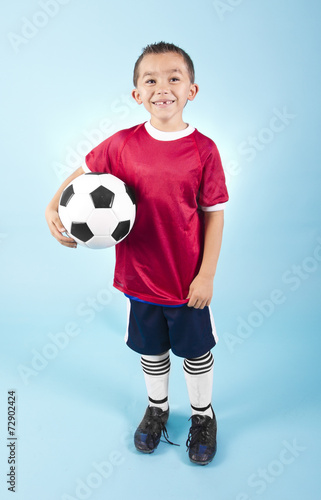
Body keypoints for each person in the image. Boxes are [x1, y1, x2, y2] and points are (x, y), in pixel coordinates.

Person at [45, 41, 229, 466]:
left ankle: (203, 415)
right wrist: (53, 205)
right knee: (152, 349)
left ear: (191, 91)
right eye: (151, 80)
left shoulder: (204, 151)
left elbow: (214, 216)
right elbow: (83, 173)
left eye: (173, 78)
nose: (162, 87)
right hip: (139, 278)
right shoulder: (122, 145)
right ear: (137, 94)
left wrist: (207, 275)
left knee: (196, 351)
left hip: (186, 282)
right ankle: (157, 408)